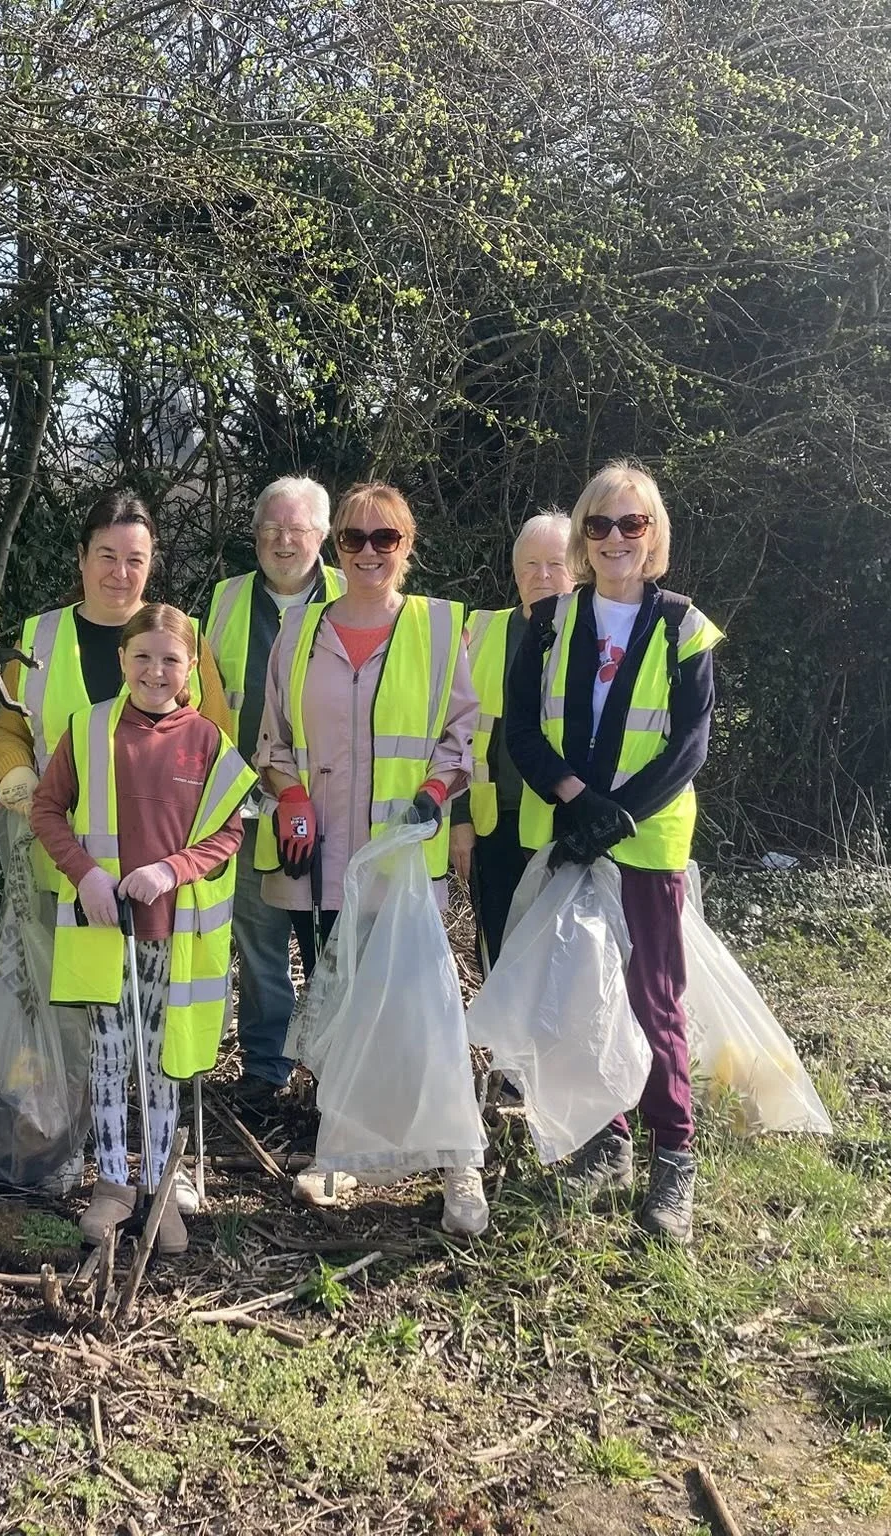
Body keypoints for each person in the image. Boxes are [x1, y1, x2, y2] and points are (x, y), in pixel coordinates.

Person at [0, 491, 231, 1198]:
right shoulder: (43, 636)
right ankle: (60, 1149)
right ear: (82, 558)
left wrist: (184, 862)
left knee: (152, 1021)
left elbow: (218, 753)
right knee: (62, 1013)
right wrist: (17, 773)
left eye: (136, 560)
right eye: (107, 557)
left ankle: (157, 1165)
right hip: (62, 864)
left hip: (155, 878)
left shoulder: (182, 640)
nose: (120, 573)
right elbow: (6, 728)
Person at [254, 482, 488, 1235]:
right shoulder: (300, 632)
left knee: (425, 1011)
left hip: (400, 861)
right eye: (353, 539)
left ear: (406, 546)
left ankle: (458, 1161)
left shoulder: (439, 628)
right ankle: (344, 1147)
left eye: (383, 539)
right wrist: (287, 793)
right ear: (337, 547)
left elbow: (464, 732)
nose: (366, 553)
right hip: (319, 860)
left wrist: (435, 788)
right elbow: (274, 739)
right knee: (339, 1004)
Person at [504, 460, 724, 1246]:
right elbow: (521, 729)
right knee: (579, 995)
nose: (616, 539)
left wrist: (620, 814)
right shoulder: (553, 620)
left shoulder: (683, 626)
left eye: (633, 524)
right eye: (599, 525)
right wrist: (574, 798)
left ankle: (675, 1159)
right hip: (571, 833)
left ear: (654, 534)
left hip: (647, 840)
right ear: (581, 538)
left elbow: (689, 745)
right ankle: (609, 1142)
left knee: (651, 999)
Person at [29, 604, 254, 1252]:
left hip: (172, 935)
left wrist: (174, 870)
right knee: (108, 1057)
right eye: (143, 657)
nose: (156, 671)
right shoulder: (92, 728)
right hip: (103, 929)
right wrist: (84, 875)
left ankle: (159, 1190)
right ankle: (113, 1187)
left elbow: (229, 832)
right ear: (124, 659)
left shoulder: (209, 743)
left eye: (171, 660)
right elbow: (47, 809)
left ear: (189, 669)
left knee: (161, 1063)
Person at [203, 477, 346, 1123]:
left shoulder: (355, 593)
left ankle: (333, 1073)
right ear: (255, 533)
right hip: (247, 805)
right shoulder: (225, 600)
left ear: (322, 536)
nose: (283, 541)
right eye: (271, 528)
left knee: (332, 950)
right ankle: (266, 1071)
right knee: (259, 950)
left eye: (298, 529)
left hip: (335, 807)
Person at [451, 510, 575, 967]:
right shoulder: (479, 631)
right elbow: (455, 733)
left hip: (565, 824)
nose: (541, 576)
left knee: (558, 964)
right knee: (500, 959)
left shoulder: (593, 633)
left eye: (556, 564)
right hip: (493, 825)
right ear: (514, 568)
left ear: (577, 567)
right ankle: (506, 1044)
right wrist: (459, 819)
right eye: (529, 564)